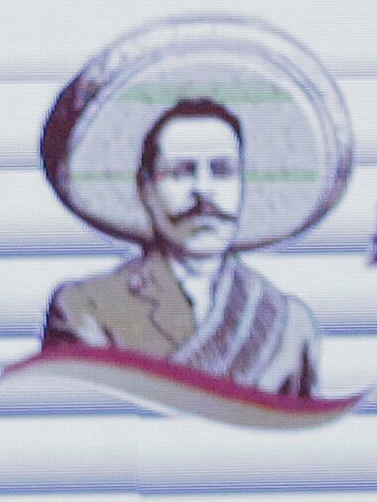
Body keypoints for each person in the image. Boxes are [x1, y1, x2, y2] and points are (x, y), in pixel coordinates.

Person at [39, 96, 325, 399]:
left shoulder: (288, 323)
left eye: (222, 170)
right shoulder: (87, 308)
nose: (203, 190)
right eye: (180, 172)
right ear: (145, 189)